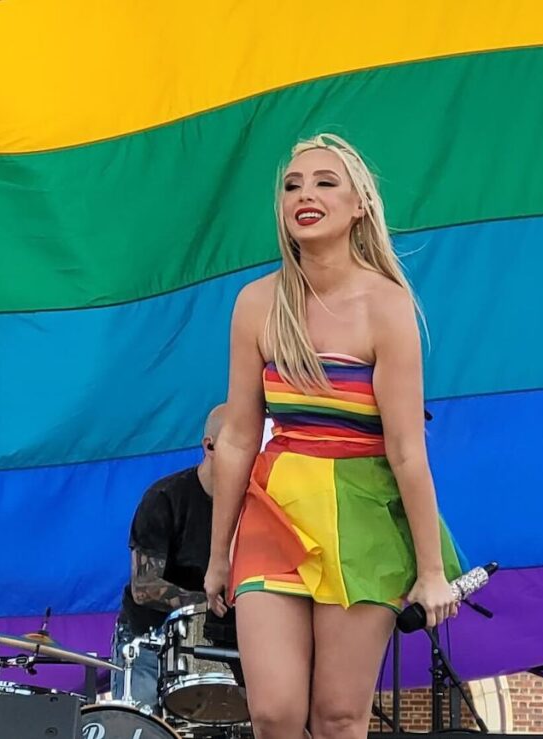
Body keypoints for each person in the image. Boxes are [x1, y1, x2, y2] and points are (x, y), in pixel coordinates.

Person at [205, 134, 466, 739]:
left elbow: (406, 449)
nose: (305, 195)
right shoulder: (256, 303)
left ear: (359, 207)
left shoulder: (387, 305)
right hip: (275, 505)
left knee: (339, 716)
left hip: (363, 513)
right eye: (292, 185)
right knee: (274, 712)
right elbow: (240, 436)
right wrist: (219, 555)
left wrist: (431, 570)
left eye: (325, 182)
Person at [110, 404, 231, 710]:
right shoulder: (165, 498)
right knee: (144, 725)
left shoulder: (253, 505)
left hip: (216, 644)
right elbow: (143, 587)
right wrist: (205, 601)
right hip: (149, 642)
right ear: (210, 446)